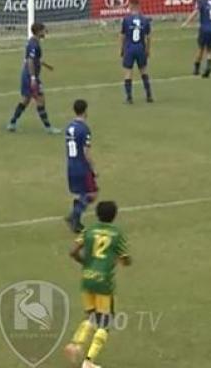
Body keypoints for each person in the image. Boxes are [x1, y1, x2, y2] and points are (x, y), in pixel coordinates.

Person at [64, 201, 131, 368]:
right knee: (105, 323)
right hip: (103, 282)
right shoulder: (116, 234)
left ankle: (75, 344)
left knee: (92, 317)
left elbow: (73, 252)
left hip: (87, 279)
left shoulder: (88, 230)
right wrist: (120, 261)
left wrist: (85, 263)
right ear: (114, 216)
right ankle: (89, 362)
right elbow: (126, 259)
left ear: (97, 214)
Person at [6, 23, 61, 134]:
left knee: (26, 101)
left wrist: (46, 65)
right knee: (40, 100)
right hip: (30, 76)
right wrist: (32, 78)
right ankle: (48, 127)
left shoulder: (33, 42)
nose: (45, 32)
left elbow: (34, 59)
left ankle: (12, 123)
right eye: (44, 30)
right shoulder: (34, 44)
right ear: (38, 31)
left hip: (28, 75)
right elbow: (30, 61)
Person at [64, 99, 98, 234]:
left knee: (83, 193)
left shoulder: (69, 127)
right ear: (85, 111)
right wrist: (93, 168)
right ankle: (74, 217)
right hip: (82, 167)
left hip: (71, 165)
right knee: (92, 193)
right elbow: (86, 152)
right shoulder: (84, 129)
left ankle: (75, 218)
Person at [120, 0, 153, 103]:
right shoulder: (144, 20)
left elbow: (122, 36)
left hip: (129, 48)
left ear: (132, 6)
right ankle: (149, 95)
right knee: (143, 71)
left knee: (128, 73)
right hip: (140, 48)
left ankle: (129, 97)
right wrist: (148, 49)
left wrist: (121, 49)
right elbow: (148, 37)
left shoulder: (126, 20)